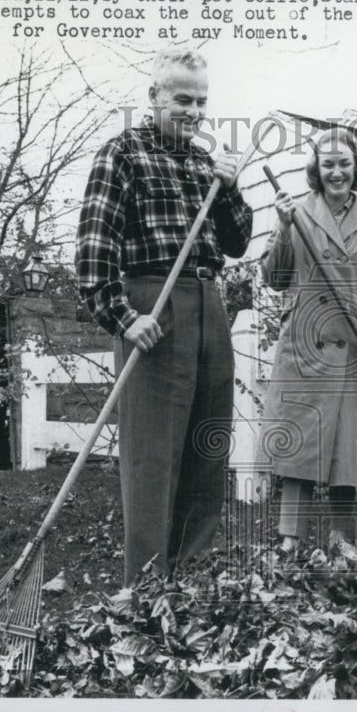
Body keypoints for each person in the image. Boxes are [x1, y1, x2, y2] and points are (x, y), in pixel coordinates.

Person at [76, 49, 252, 587]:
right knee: (153, 457)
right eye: (182, 99)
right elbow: (92, 249)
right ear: (154, 98)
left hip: (209, 304)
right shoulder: (121, 154)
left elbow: (237, 243)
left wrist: (232, 189)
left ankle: (191, 581)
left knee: (207, 447)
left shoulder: (206, 163)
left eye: (202, 101)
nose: (194, 110)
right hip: (154, 304)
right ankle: (147, 587)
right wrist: (123, 317)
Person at [259, 128, 357, 553]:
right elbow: (274, 277)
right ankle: (289, 540)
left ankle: (341, 540)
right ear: (316, 171)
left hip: (356, 347)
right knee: (300, 445)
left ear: (355, 169)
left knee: (348, 450)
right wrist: (285, 229)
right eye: (328, 165)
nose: (337, 172)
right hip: (305, 348)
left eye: (344, 164)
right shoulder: (295, 214)